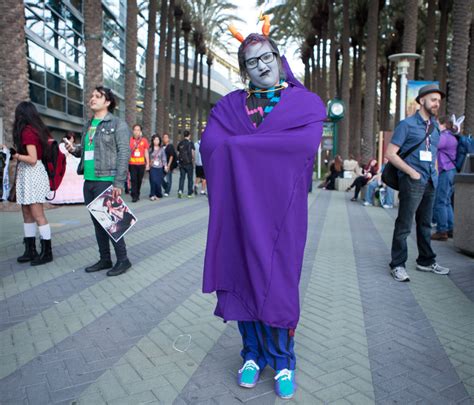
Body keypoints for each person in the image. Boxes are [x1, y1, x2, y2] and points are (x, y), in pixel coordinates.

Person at [200, 20, 325, 399]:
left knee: (278, 283)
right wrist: (250, 148)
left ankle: (284, 360)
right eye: (252, 62)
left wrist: (240, 148)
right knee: (240, 279)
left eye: (267, 57)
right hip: (238, 210)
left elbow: (302, 146)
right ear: (244, 70)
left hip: (281, 215)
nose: (262, 65)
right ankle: (252, 354)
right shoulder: (230, 106)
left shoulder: (304, 103)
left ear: (279, 59)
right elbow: (211, 146)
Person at [385, 83, 450, 282]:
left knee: (425, 225)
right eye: (433, 99)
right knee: (404, 225)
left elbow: (433, 155)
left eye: (438, 101)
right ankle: (397, 264)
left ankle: (426, 261)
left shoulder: (435, 128)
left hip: (431, 182)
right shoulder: (407, 125)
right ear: (422, 101)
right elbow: (390, 154)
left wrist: (435, 174)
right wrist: (412, 173)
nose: (437, 104)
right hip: (412, 182)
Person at [66, 86, 132, 277]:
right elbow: (89, 151)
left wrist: (119, 183)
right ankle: (105, 259)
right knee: (97, 222)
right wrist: (74, 149)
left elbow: (123, 153)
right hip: (89, 180)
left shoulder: (117, 124)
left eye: (97, 96)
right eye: (92, 96)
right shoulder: (88, 125)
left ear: (108, 102)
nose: (92, 98)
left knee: (112, 223)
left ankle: (123, 259)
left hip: (106, 179)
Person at [4, 102, 53, 266]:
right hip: (30, 175)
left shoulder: (27, 132)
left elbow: (32, 159)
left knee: (37, 213)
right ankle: (30, 250)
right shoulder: (34, 130)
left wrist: (16, 156)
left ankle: (46, 252)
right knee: (27, 212)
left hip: (32, 174)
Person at [432, 115, 459, 241]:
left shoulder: (445, 136)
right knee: (446, 201)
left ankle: (442, 231)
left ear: (442, 124)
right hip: (451, 171)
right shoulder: (451, 137)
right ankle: (451, 228)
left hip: (446, 171)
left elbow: (433, 144)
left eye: (437, 123)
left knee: (440, 201)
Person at [128, 124, 149, 202]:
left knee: (139, 180)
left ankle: (137, 193)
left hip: (141, 164)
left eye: (138, 130)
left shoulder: (144, 140)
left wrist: (147, 163)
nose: (136, 132)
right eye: (135, 130)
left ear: (140, 131)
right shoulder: (130, 140)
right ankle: (134, 195)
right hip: (132, 164)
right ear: (133, 131)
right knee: (133, 179)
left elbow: (146, 152)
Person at [148, 134, 168, 200]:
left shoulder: (161, 149)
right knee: (153, 180)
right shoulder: (150, 149)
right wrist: (148, 164)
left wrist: (165, 166)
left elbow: (164, 158)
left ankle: (158, 193)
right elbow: (147, 157)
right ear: (153, 141)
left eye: (158, 140)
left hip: (159, 168)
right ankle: (152, 195)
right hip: (152, 167)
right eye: (155, 139)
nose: (156, 141)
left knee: (158, 182)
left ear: (159, 141)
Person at [176, 130, 195, 198]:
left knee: (182, 178)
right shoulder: (191, 143)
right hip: (189, 163)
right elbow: (192, 152)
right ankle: (189, 193)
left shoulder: (180, 143)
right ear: (189, 135)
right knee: (190, 179)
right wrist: (193, 159)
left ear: (184, 135)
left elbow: (178, 153)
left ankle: (180, 191)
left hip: (182, 163)